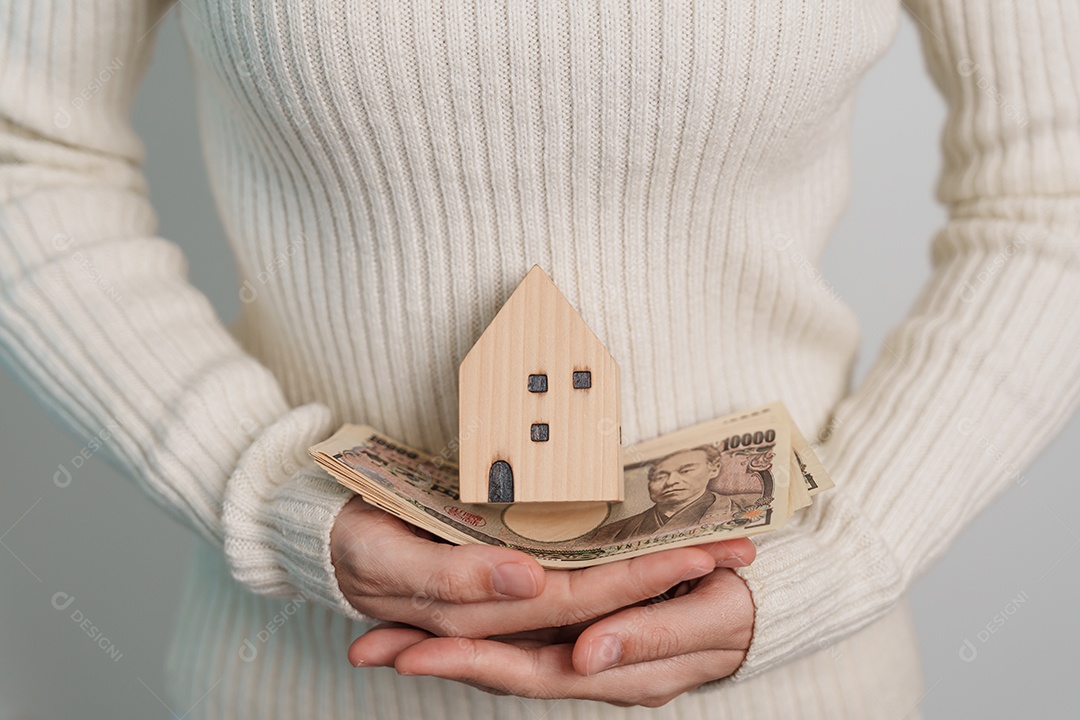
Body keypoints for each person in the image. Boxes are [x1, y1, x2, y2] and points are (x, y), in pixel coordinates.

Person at [2, 1, 1078, 717]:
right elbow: (27, 154)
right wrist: (258, 487)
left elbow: (1053, 194)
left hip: (802, 686)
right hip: (295, 681)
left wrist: (840, 561)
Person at [589, 446, 751, 544]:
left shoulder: (747, 507)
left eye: (686, 470)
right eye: (660, 476)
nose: (671, 481)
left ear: (713, 469)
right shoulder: (609, 533)